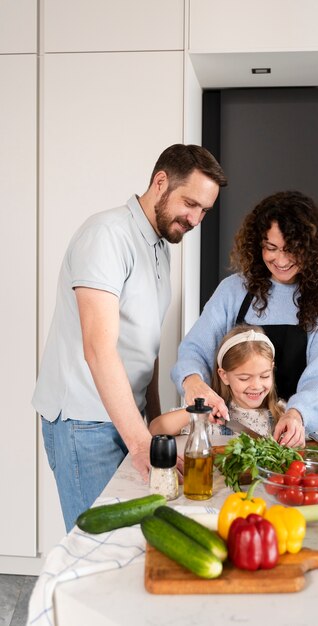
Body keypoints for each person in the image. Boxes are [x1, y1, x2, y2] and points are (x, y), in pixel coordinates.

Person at [32, 143, 227, 531]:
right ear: (160, 182)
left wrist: (153, 422)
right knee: (98, 546)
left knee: (130, 543)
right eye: (190, 204)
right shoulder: (106, 234)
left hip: (127, 420)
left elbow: (144, 346)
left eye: (204, 211)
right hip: (84, 423)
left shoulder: (160, 246)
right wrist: (142, 444)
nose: (195, 219)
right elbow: (98, 349)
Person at [171, 190, 318, 449]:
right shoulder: (233, 290)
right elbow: (195, 349)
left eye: (292, 250)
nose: (281, 260)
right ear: (258, 245)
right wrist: (193, 382)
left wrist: (296, 414)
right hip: (228, 439)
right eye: (271, 248)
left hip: (291, 438)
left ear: (311, 249)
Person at [150, 324, 284, 438]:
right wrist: (199, 411)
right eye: (244, 378)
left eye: (265, 376)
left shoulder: (282, 413)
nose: (256, 385)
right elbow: (155, 429)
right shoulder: (211, 415)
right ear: (224, 375)